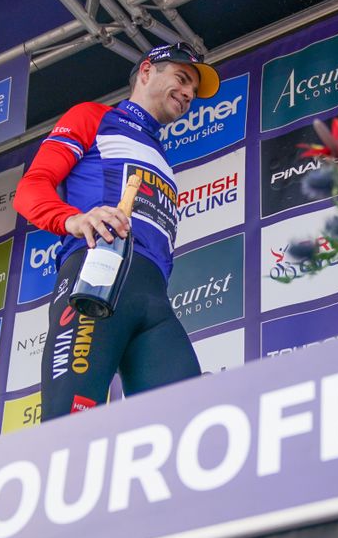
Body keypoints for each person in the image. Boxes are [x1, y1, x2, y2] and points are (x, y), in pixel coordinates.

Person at [14, 42, 221, 419]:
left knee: (185, 427)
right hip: (96, 281)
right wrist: (72, 220)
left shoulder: (160, 155)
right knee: (70, 429)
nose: (190, 93)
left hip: (153, 302)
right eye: (182, 78)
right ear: (146, 72)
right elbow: (31, 188)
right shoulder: (93, 117)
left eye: (194, 89)